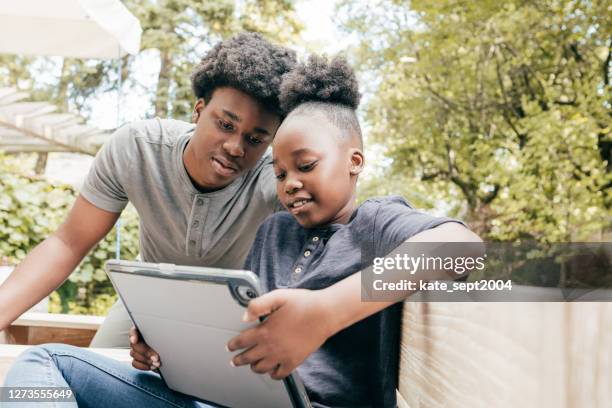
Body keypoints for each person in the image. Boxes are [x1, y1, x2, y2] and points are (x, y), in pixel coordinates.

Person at [3, 54, 482, 408]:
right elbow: (236, 340)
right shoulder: (274, 233)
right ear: (197, 111)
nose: (290, 182)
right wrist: (168, 352)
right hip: (226, 397)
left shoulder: (374, 222)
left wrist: (324, 313)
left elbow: (460, 248)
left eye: (305, 165)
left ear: (356, 162)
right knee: (40, 368)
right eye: (279, 172)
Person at [0, 32, 296, 347]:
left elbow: (343, 247)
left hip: (236, 313)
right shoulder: (137, 149)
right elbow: (67, 244)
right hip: (151, 302)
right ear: (198, 111)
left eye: (255, 139)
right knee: (91, 377)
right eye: (225, 125)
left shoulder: (276, 179)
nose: (236, 147)